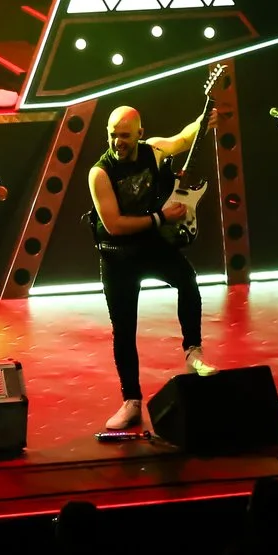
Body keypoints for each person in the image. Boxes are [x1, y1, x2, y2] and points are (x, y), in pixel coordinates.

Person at [87, 99, 215, 431]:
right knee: (124, 329)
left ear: (139, 133)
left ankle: (192, 351)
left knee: (187, 279)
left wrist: (203, 119)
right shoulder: (99, 173)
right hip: (117, 254)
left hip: (150, 245)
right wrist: (161, 218)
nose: (118, 142)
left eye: (125, 135)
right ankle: (131, 401)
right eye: (113, 135)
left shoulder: (153, 150)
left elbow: (183, 139)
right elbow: (115, 224)